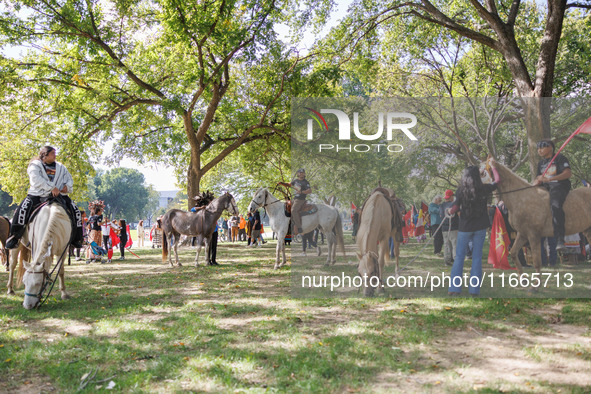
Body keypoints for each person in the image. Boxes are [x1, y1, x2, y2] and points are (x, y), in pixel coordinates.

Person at [6, 146, 83, 249]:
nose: (55, 155)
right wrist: (51, 187)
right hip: (37, 195)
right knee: (22, 210)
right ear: (44, 155)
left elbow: (69, 179)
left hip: (59, 196)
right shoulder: (35, 165)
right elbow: (36, 180)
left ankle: (76, 239)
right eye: (52, 153)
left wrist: (67, 187)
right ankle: (14, 237)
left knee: (76, 212)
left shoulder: (61, 167)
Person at [447, 161, 500, 297]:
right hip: (481, 226)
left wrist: (450, 211)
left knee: (459, 257)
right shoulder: (484, 188)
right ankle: (474, 291)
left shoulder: (461, 190)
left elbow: (455, 208)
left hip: (465, 227)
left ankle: (454, 289)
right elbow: (497, 181)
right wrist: (493, 167)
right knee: (476, 258)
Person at [533, 139, 572, 250]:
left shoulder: (560, 158)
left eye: (542, 147)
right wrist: (536, 182)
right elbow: (539, 177)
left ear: (550, 147)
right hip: (545, 187)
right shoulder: (541, 163)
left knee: (555, 206)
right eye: (537, 148)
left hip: (559, 186)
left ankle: (560, 238)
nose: (539, 150)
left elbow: (568, 173)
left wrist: (550, 179)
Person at [290, 168, 311, 236]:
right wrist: (282, 183)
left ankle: (299, 227)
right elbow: (290, 184)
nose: (301, 174)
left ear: (304, 174)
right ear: (298, 174)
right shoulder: (295, 181)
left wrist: (301, 192)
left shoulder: (305, 182)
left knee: (293, 210)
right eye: (300, 172)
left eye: (303, 173)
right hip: (295, 198)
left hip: (300, 200)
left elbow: (309, 191)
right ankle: (291, 225)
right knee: (286, 206)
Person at [440, 190, 458, 267]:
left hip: (444, 228)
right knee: (455, 244)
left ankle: (447, 260)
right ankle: (456, 260)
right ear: (451, 197)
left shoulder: (441, 206)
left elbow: (441, 216)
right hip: (454, 227)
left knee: (446, 244)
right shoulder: (455, 205)